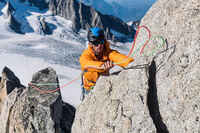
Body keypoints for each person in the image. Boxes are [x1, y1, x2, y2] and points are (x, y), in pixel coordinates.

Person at [79, 27, 134, 100]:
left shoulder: (108, 52)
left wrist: (131, 62)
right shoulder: (86, 54)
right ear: (90, 44)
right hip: (89, 89)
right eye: (96, 43)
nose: (99, 46)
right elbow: (85, 64)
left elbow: (118, 57)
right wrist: (102, 66)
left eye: (101, 42)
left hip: (104, 86)